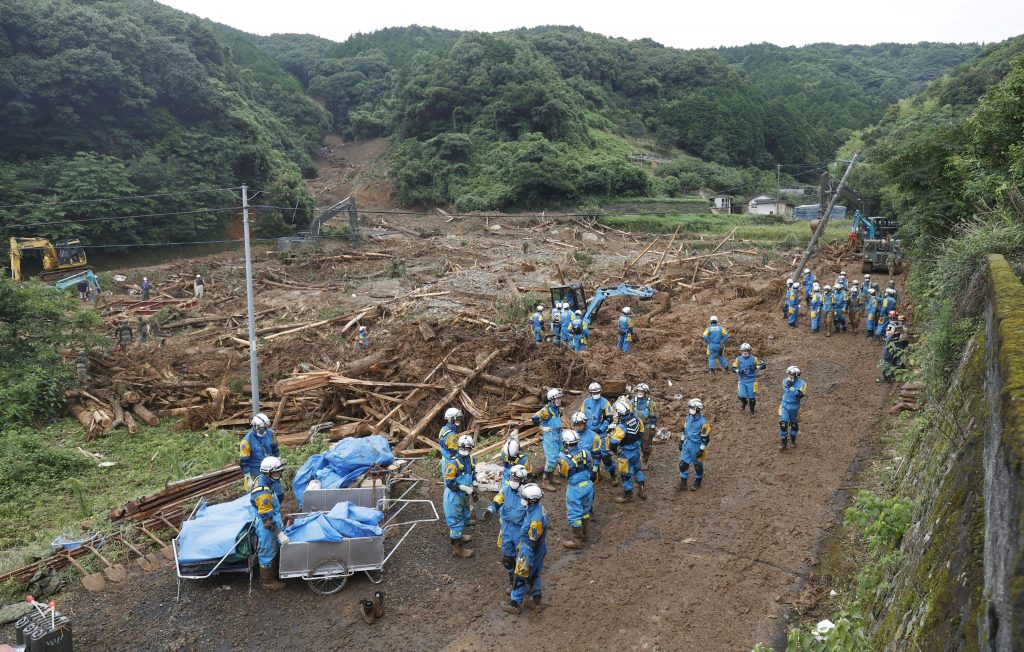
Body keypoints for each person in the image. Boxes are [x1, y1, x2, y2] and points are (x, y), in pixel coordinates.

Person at [502, 483, 548, 615]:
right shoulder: (537, 508)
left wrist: (524, 553)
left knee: (521, 576)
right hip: (539, 548)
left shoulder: (535, 520)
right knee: (534, 574)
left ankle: (514, 604)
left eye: (524, 497)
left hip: (530, 550)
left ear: (531, 500)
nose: (521, 499)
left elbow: (532, 541)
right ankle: (535, 601)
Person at [486, 465, 529, 588]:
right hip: (506, 529)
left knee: (522, 560)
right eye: (511, 478)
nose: (512, 482)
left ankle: (523, 584)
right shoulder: (505, 490)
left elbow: (532, 514)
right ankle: (512, 581)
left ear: (522, 480)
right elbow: (497, 501)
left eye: (515, 480)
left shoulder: (527, 495)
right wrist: (490, 509)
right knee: (507, 559)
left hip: (520, 531)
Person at [250, 456, 288, 591]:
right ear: (267, 473)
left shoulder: (262, 479)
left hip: (271, 517)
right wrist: (278, 532)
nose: (278, 475)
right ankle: (268, 581)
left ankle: (275, 572)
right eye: (276, 473)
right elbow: (267, 521)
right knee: (268, 550)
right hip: (267, 524)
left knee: (274, 548)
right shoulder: (263, 493)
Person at [556, 429, 594, 549]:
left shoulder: (563, 458)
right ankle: (585, 533)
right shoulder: (585, 452)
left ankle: (577, 540)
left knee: (574, 514)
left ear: (565, 443)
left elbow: (562, 475)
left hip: (575, 489)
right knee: (585, 510)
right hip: (588, 485)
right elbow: (590, 466)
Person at [443, 434, 478, 558]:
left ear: (471, 448)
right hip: (453, 496)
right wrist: (464, 487)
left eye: (467, 448)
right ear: (458, 447)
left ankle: (460, 535)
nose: (465, 451)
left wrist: (474, 484)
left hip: (464, 495)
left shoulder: (471, 459)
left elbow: (473, 473)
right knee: (455, 520)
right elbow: (449, 482)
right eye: (463, 448)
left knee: (464, 515)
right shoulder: (453, 463)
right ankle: (458, 550)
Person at [608, 398, 646, 503]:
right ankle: (642, 489)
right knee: (637, 470)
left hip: (625, 453)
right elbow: (642, 431)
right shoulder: (637, 419)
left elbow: (613, 442)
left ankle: (628, 495)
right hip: (636, 450)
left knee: (625, 474)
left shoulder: (621, 427)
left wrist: (616, 451)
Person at [583, 383, 617, 483]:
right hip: (588, 433)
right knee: (591, 455)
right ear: (590, 393)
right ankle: (596, 473)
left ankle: (613, 474)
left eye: (597, 392)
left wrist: (601, 429)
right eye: (593, 392)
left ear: (600, 392)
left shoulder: (605, 402)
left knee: (605, 455)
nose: (596, 394)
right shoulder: (586, 402)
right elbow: (582, 415)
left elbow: (609, 418)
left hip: (601, 433)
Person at [532, 388, 564, 491]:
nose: (560, 400)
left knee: (557, 458)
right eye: (557, 398)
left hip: (558, 436)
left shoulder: (558, 409)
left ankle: (551, 477)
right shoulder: (546, 410)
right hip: (550, 438)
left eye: (560, 398)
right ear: (552, 399)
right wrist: (542, 427)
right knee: (551, 461)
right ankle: (545, 482)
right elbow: (534, 418)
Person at [678, 399, 711, 491]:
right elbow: (684, 430)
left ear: (698, 409)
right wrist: (681, 441)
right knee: (683, 464)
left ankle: (698, 482)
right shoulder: (688, 418)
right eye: (691, 407)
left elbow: (705, 438)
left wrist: (701, 450)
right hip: (687, 443)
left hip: (696, 446)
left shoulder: (704, 423)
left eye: (693, 408)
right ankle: (683, 483)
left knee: (698, 466)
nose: (691, 409)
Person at [239, 413, 278, 490]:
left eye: (265, 428)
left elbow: (275, 449)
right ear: (255, 426)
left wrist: (278, 461)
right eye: (261, 428)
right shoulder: (246, 441)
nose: (264, 430)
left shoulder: (271, 434)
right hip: (255, 472)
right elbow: (244, 462)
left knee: (274, 493)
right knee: (257, 495)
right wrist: (248, 477)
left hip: (270, 470)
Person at [778, 366, 808, 451]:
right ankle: (783, 443)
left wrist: (792, 388)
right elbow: (785, 388)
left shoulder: (802, 384)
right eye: (789, 374)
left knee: (793, 424)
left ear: (796, 375)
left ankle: (793, 439)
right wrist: (791, 387)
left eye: (792, 374)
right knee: (783, 423)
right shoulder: (784, 381)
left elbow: (800, 395)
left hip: (794, 406)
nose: (790, 376)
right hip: (785, 404)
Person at [731, 343, 766, 414]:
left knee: (752, 398)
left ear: (749, 351)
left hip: (751, 381)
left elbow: (763, 365)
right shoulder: (738, 359)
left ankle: (752, 411)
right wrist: (738, 371)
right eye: (743, 351)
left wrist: (756, 367)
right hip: (742, 380)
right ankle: (744, 402)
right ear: (741, 351)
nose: (745, 352)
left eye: (746, 350)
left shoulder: (754, 358)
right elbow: (733, 368)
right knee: (741, 396)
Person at [631, 383, 657, 468]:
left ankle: (645, 461)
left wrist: (652, 428)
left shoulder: (650, 403)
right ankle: (634, 461)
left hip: (646, 426)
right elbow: (629, 415)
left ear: (646, 392)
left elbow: (653, 416)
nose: (640, 392)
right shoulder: (633, 401)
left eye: (642, 391)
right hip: (635, 425)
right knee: (633, 444)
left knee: (646, 445)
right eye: (639, 390)